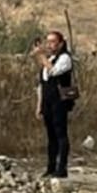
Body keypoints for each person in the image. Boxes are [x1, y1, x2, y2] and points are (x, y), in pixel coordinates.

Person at [33, 31, 74, 179]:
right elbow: (41, 84)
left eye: (53, 42)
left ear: (61, 43)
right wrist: (39, 105)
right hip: (48, 102)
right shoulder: (50, 59)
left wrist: (42, 57)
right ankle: (50, 167)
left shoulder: (65, 59)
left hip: (59, 102)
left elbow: (54, 72)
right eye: (48, 42)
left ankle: (61, 167)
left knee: (60, 134)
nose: (49, 45)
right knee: (51, 136)